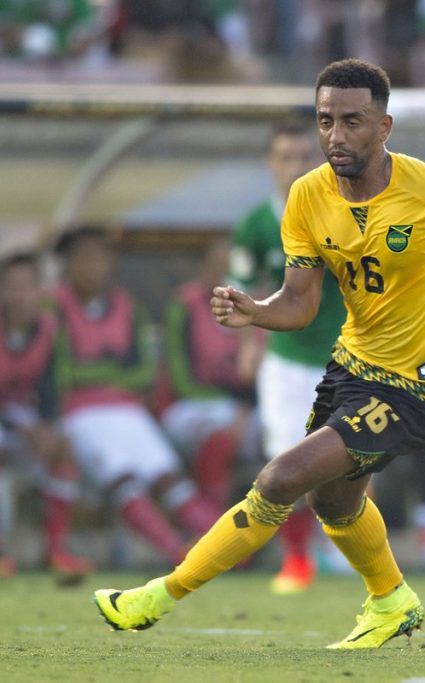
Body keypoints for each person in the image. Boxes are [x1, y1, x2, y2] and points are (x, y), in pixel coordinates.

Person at [93, 58, 425, 649]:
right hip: (350, 370)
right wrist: (256, 311)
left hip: (417, 388)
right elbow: (299, 303)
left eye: (352, 121)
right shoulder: (306, 195)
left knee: (280, 476)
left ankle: (158, 596)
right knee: (331, 499)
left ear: (384, 126)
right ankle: (391, 600)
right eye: (326, 120)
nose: (336, 136)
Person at [53, 227, 222, 566]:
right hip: (77, 411)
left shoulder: (128, 308)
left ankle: (226, 550)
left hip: (127, 409)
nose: (92, 265)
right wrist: (110, 374)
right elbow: (61, 370)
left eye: (99, 257)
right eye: (83, 257)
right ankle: (178, 553)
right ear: (67, 263)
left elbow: (144, 369)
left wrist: (105, 375)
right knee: (124, 477)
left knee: (168, 478)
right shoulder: (53, 307)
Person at [228, 116, 347, 595]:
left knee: (351, 461)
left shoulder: (343, 214)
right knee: (285, 460)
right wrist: (247, 344)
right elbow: (243, 289)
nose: (295, 167)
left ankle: (345, 553)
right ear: (269, 163)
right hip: (285, 362)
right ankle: (297, 559)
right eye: (285, 157)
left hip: (345, 359)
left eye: (304, 157)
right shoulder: (256, 226)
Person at [0, 251, 91, 580]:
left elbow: (51, 389)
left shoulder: (49, 331)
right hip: (10, 422)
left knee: (63, 446)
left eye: (27, 287)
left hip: (20, 419)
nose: (19, 296)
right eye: (11, 287)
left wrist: (46, 427)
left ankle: (56, 550)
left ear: (42, 291)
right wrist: (22, 427)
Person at [161, 237, 259, 508]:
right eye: (218, 266)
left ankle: (295, 534)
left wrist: (245, 406)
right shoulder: (185, 304)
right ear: (205, 268)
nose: (226, 276)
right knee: (219, 433)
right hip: (191, 403)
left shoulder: (258, 309)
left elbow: (262, 373)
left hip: (246, 407)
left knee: (295, 437)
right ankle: (212, 524)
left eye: (233, 269)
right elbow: (180, 379)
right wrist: (234, 406)